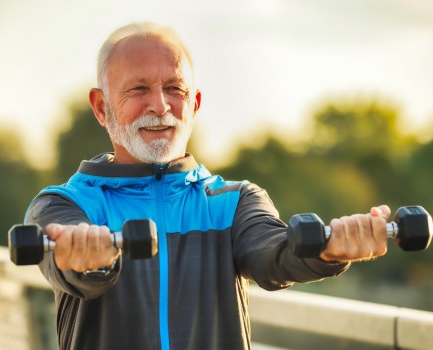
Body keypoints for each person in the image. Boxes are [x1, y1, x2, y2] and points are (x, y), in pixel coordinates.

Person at [24, 22, 390, 350]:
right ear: (102, 107)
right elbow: (74, 272)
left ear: (194, 105)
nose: (161, 105)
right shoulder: (62, 205)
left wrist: (330, 249)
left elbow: (276, 256)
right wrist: (89, 259)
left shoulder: (235, 201)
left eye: (174, 89)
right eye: (138, 89)